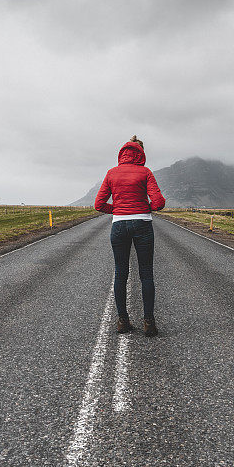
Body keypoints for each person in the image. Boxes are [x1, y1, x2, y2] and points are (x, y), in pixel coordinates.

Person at [94, 135, 166, 337]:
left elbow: (98, 204)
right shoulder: (145, 172)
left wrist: (117, 210)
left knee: (121, 272)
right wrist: (144, 208)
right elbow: (159, 202)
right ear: (141, 153)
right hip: (143, 223)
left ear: (123, 152)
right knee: (146, 274)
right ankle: (149, 323)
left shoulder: (111, 173)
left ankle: (122, 321)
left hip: (119, 225)